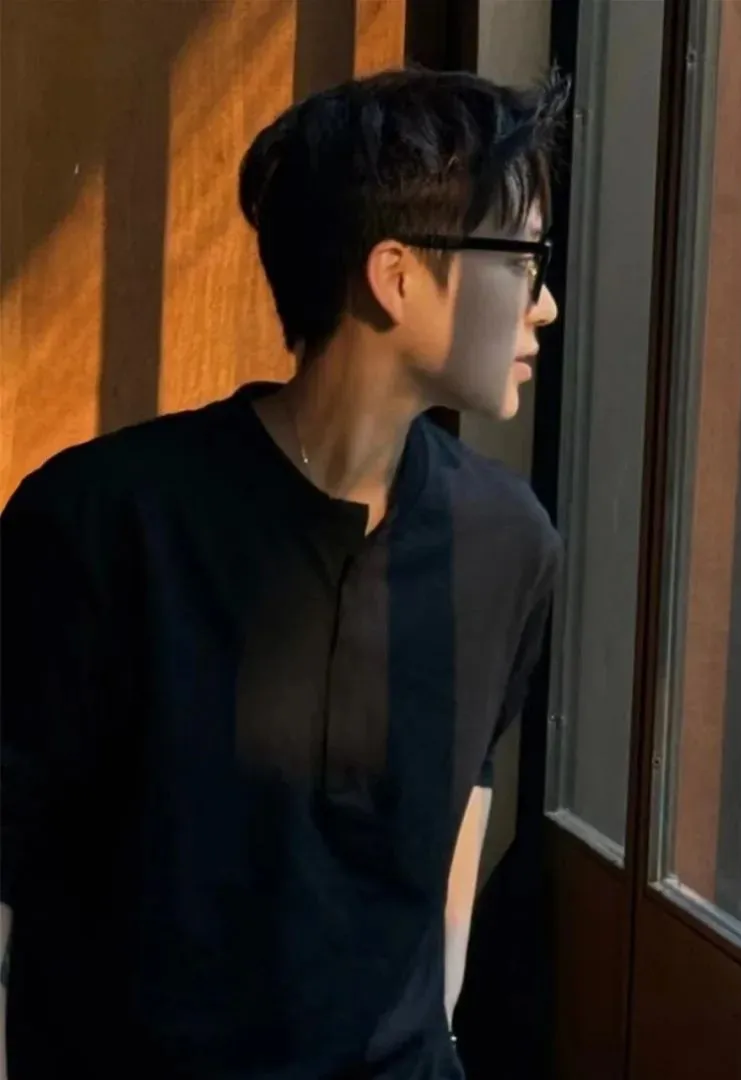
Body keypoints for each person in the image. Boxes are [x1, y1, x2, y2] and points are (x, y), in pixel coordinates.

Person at [0, 67, 568, 1078]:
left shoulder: (508, 543)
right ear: (397, 275)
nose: (547, 304)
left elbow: (452, 842)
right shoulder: (100, 523)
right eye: (525, 259)